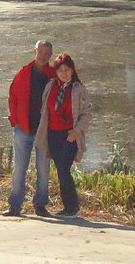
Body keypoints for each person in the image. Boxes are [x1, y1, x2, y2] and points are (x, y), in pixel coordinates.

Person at [34, 53, 93, 219]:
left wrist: (76, 131)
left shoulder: (79, 89)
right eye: (60, 71)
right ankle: (68, 207)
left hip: (70, 135)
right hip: (53, 134)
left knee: (63, 169)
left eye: (67, 70)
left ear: (73, 70)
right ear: (56, 72)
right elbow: (44, 110)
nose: (64, 73)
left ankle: (73, 208)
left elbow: (87, 113)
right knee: (60, 171)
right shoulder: (51, 86)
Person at [3, 39, 56, 217]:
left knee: (43, 169)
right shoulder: (23, 73)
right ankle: (15, 207)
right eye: (41, 52)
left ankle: (40, 206)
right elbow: (13, 97)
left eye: (47, 53)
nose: (44, 56)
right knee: (19, 168)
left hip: (44, 131)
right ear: (35, 52)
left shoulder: (54, 75)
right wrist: (15, 121)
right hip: (23, 129)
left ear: (51, 55)